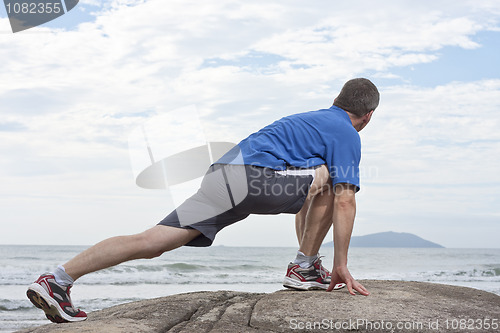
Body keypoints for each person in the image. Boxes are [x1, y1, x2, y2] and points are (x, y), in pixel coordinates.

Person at [26, 78, 379, 323]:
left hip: (222, 173)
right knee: (333, 176)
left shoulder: (307, 121)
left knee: (152, 242)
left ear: (337, 100)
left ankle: (57, 280)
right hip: (253, 178)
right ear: (368, 116)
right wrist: (341, 263)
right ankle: (304, 266)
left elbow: (305, 193)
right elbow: (344, 200)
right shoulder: (345, 132)